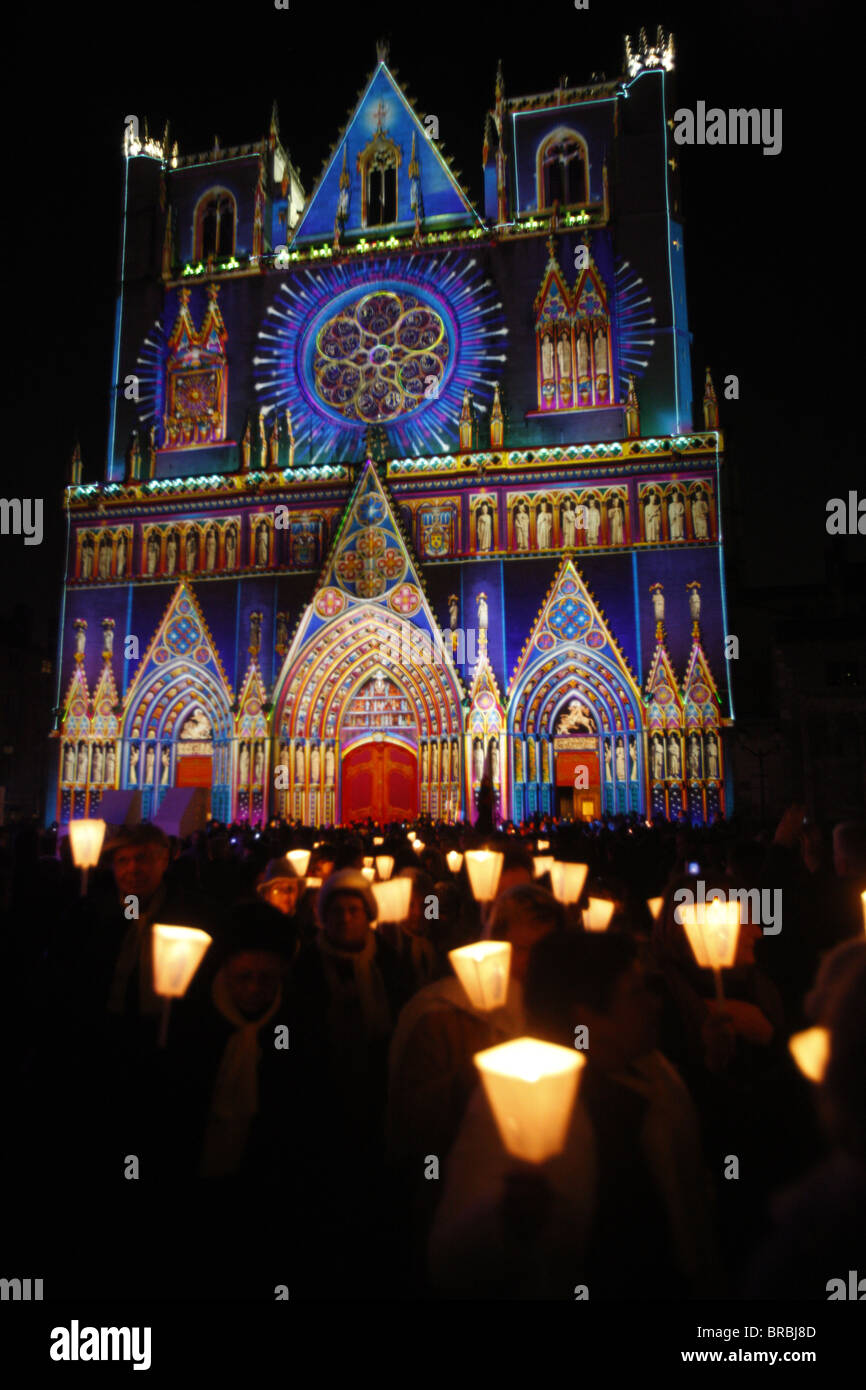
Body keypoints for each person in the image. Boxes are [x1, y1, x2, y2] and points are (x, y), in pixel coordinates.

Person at [429, 930, 719, 1298]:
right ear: (587, 1017)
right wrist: (509, 1220)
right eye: (635, 993)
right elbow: (454, 1257)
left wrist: (718, 1068)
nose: (655, 1004)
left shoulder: (655, 1074)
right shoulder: (520, 1098)